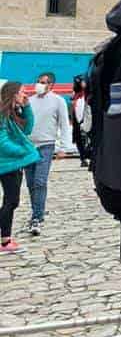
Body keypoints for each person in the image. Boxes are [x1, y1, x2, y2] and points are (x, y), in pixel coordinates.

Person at [25, 70, 72, 235]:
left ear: (51, 85)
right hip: (29, 147)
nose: (39, 84)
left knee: (40, 181)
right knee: (31, 183)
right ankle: (37, 210)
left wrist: (63, 148)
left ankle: (37, 218)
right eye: (38, 81)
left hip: (46, 145)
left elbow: (64, 124)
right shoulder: (29, 101)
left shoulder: (58, 101)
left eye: (43, 82)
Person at [0, 80, 40, 253]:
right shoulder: (2, 114)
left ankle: (5, 238)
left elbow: (28, 129)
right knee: (11, 201)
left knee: (10, 201)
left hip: (14, 163)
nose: (25, 94)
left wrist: (27, 108)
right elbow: (2, 141)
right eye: (22, 92)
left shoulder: (15, 111)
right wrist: (22, 151)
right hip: (8, 163)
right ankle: (5, 241)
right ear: (13, 93)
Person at [70, 76, 90, 168]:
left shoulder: (87, 94)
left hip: (86, 118)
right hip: (78, 120)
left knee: (87, 138)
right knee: (79, 139)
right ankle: (83, 158)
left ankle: (88, 157)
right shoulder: (75, 96)